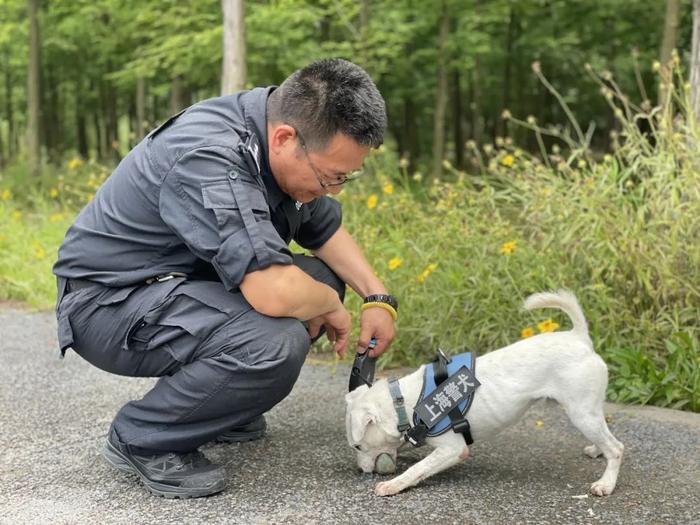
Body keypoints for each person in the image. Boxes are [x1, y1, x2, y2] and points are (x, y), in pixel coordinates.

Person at [52, 58, 398, 499]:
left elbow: (323, 231)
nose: (334, 190)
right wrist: (332, 306)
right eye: (331, 177)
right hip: (107, 303)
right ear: (285, 139)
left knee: (319, 277)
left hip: (172, 286)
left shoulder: (278, 133)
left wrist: (379, 298)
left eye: (346, 178)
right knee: (273, 340)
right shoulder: (211, 156)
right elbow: (273, 294)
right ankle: (143, 435)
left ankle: (223, 403)